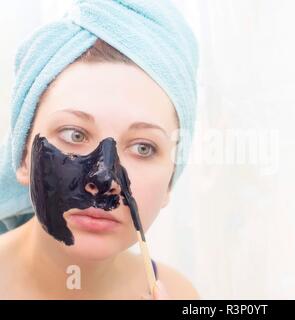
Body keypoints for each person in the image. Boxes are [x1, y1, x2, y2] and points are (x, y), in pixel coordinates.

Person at [0, 0, 199, 300]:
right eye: (74, 134)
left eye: (144, 147)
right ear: (24, 156)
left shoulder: (181, 294)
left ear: (171, 179)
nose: (104, 179)